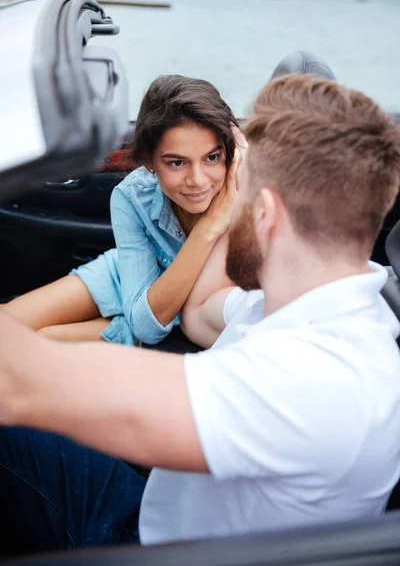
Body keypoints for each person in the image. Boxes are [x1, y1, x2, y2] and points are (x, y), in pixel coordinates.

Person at [1, 75, 400, 557]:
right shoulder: (314, 302)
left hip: (155, 545)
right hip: (166, 513)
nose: (220, 194)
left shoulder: (311, 379)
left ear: (266, 213)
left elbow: (18, 380)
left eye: (237, 187)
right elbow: (198, 312)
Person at [3, 75, 243, 346]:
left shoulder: (252, 195)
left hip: (173, 309)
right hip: (128, 275)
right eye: (177, 163)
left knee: (37, 344)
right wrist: (210, 225)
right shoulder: (132, 194)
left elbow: (148, 327)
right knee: (6, 324)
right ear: (149, 162)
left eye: (212, 157)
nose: (197, 179)